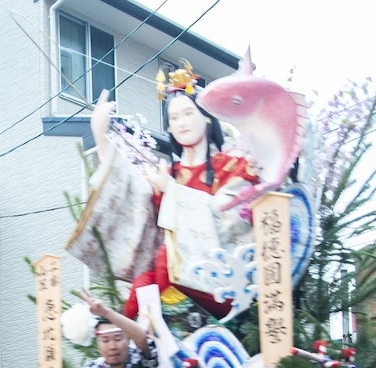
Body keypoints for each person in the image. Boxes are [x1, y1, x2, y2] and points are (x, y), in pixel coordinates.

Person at [91, 78, 259, 321]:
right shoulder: (168, 174)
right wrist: (101, 137)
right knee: (142, 284)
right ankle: (132, 341)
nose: (181, 122)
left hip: (219, 279)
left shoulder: (234, 166)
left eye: (188, 113)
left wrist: (172, 191)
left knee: (163, 260)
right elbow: (131, 197)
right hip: (170, 274)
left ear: (207, 117)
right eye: (174, 118)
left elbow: (232, 220)